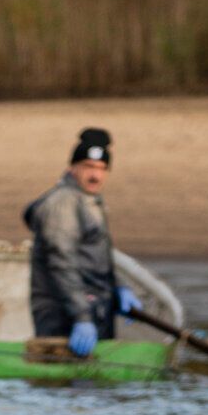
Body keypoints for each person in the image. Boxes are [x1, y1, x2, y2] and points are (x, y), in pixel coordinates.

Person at [24, 127, 142, 358]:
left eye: (102, 169)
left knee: (92, 389)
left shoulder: (90, 200)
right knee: (66, 389)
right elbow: (61, 261)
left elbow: (96, 256)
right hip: (64, 314)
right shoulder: (62, 204)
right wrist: (81, 317)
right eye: (88, 167)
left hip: (95, 309)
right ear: (72, 168)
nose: (95, 176)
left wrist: (118, 286)